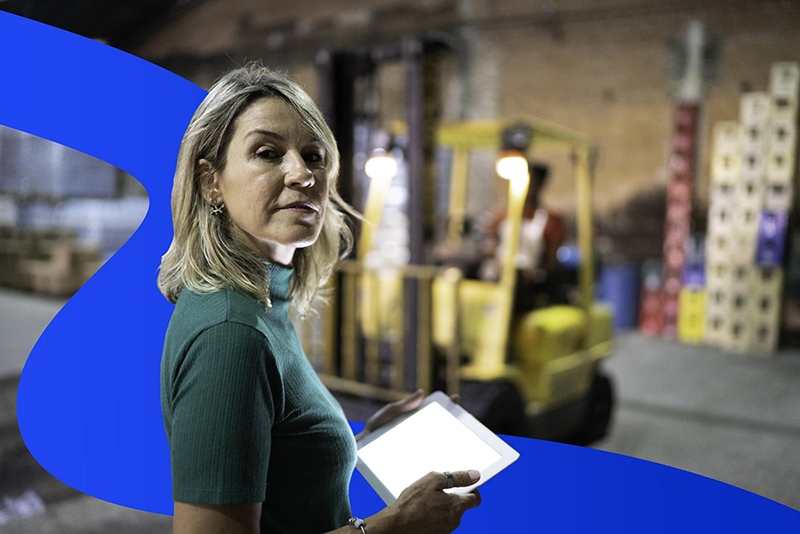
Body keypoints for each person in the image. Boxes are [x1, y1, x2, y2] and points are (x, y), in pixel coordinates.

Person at [157, 63, 481, 534]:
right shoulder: (231, 334)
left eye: (314, 155)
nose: (302, 174)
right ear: (211, 182)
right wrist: (395, 526)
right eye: (267, 153)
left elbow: (276, 468)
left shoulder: (261, 301)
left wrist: (352, 439)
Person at [482, 162, 567, 313]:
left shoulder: (550, 219)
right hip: (500, 273)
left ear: (540, 184)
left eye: (531, 182)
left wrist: (535, 274)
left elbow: (551, 262)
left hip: (529, 283)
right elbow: (491, 246)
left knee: (515, 282)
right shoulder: (501, 215)